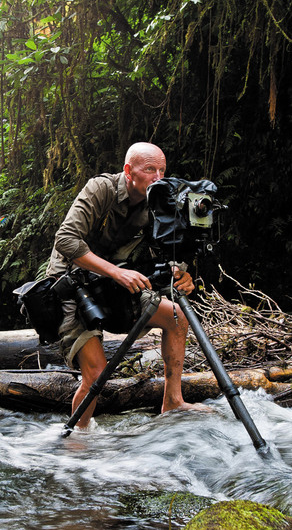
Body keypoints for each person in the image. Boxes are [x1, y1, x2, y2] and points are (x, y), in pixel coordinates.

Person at [47, 142, 212, 429]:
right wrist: (115, 272)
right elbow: (66, 239)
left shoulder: (158, 200)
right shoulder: (102, 189)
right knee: (97, 373)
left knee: (177, 316)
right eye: (150, 169)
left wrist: (180, 272)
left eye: (162, 170)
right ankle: (77, 441)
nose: (157, 177)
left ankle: (173, 401)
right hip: (72, 286)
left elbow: (166, 249)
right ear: (128, 171)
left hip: (113, 284)